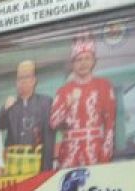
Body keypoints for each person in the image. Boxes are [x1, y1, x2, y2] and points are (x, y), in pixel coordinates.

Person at [49, 33, 117, 168]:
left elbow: (110, 123)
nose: (83, 63)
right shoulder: (63, 91)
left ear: (93, 61)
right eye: (78, 60)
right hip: (69, 151)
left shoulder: (103, 85)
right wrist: (67, 104)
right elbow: (53, 123)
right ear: (73, 64)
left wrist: (106, 151)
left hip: (95, 149)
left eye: (87, 58)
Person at [0, 60, 55, 176]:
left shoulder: (45, 102)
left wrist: (46, 170)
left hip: (38, 164)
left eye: (25, 78)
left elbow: (49, 138)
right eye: (19, 79)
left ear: (34, 81)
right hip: (14, 166)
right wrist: (4, 109)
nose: (21, 82)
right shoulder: (12, 104)